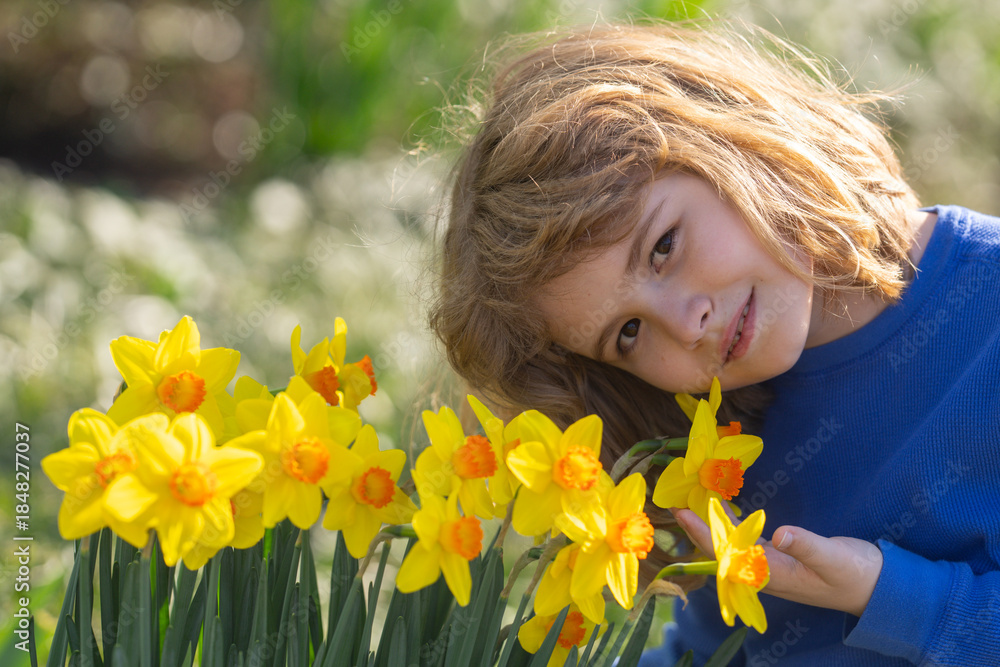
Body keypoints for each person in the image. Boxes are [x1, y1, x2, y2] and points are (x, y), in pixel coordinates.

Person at [428, 19, 1000, 666]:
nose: (686, 322)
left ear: (725, 140)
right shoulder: (714, 448)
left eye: (664, 245)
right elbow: (704, 653)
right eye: (629, 333)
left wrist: (884, 591)